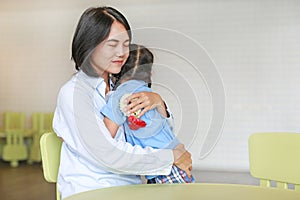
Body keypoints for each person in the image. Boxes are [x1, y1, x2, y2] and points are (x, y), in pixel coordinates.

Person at [53, 6, 192, 199]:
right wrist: (171, 157)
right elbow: (107, 154)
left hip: (129, 189)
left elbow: (152, 132)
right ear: (89, 45)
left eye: (126, 44)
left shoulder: (122, 89)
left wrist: (159, 103)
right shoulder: (73, 94)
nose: (122, 52)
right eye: (112, 45)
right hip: (92, 191)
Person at [101, 44, 195, 184]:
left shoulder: (121, 94)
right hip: (175, 159)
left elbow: (105, 135)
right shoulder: (149, 94)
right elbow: (167, 125)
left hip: (167, 164)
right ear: (149, 74)